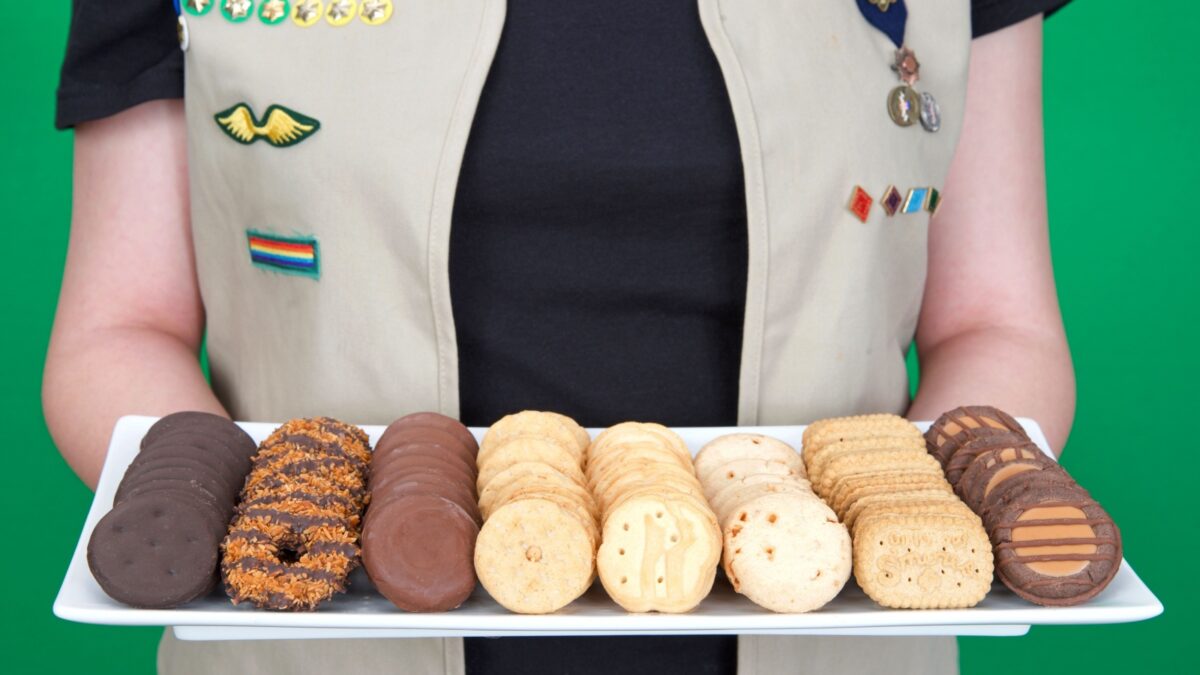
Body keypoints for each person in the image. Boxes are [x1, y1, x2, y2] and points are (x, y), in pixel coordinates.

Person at [45, 1, 1075, 673]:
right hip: (314, 648)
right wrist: (239, 531)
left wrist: (915, 530)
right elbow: (118, 328)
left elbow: (997, 323)